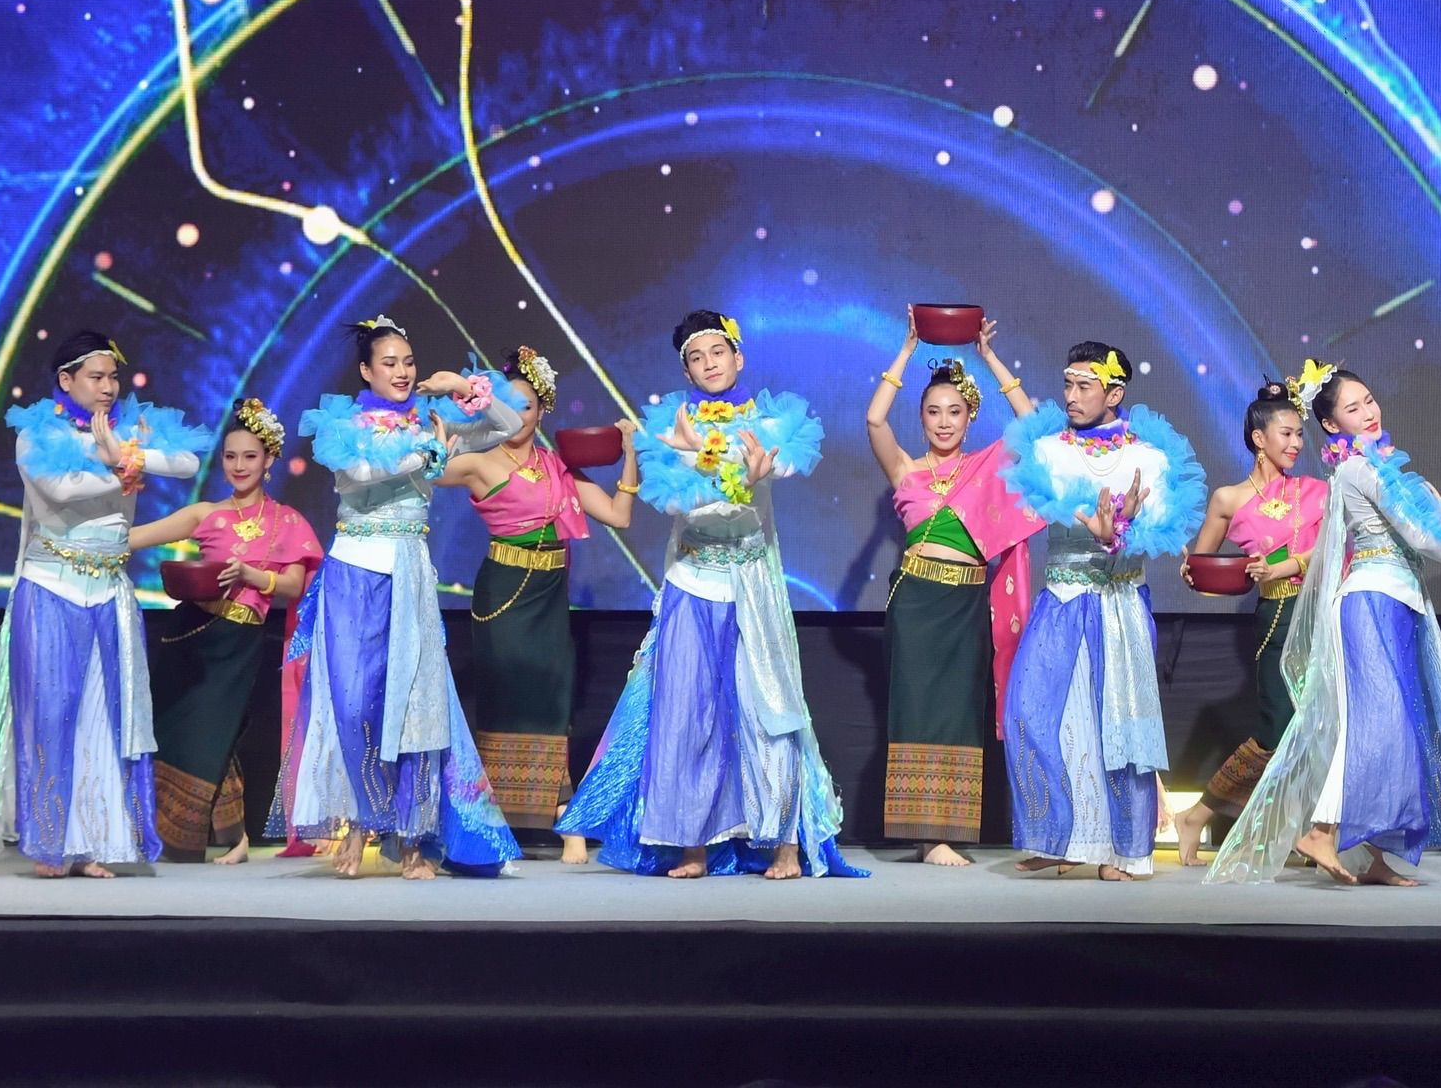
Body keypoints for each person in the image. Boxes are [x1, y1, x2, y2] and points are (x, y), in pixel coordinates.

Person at [557, 309, 856, 880]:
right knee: (685, 712)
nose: (709, 363)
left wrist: (734, 467)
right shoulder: (670, 428)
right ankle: (690, 844)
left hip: (752, 583)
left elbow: (782, 467)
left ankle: (785, 844)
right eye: (696, 357)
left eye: (717, 352)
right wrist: (705, 459)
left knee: (770, 708)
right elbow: (682, 505)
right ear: (686, 372)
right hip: (692, 582)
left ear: (738, 357)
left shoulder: (770, 420)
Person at [1208, 361, 1441, 886]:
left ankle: (1371, 851)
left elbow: (1414, 536)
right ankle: (1323, 829)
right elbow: (1414, 533)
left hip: (1395, 598)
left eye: (1370, 400)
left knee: (1395, 730)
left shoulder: (1374, 467)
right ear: (1332, 424)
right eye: (1353, 407)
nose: (1369, 412)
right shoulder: (1360, 468)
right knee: (1375, 727)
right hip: (1371, 600)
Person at [283, 315, 525, 879]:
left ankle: (414, 836)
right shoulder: (343, 426)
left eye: (408, 362)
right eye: (389, 363)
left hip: (409, 569)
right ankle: (360, 822)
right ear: (366, 371)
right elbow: (363, 472)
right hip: (353, 571)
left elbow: (508, 424)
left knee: (416, 705)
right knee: (353, 704)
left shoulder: (429, 417)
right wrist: (429, 453)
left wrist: (461, 388)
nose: (402, 372)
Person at [0, 329, 211, 878]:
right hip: (51, 587)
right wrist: (120, 464)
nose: (107, 387)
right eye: (96, 377)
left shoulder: (127, 429)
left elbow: (187, 464)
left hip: (108, 590)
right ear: (66, 380)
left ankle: (95, 842)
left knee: (104, 716)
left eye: (113, 377)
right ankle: (51, 844)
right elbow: (61, 489)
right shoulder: (35, 434)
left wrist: (123, 452)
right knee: (52, 713)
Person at [997, 340, 1205, 878]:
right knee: (1031, 712)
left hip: (1119, 603)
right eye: (1067, 383)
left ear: (1114, 393)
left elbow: (1160, 530)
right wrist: (1092, 525)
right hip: (1063, 597)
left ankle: (1126, 851)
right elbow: (1048, 507)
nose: (1071, 395)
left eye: (1084, 385)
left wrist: (1123, 530)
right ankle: (1059, 836)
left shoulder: (1149, 457)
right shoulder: (1049, 450)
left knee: (1121, 726)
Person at [434, 347, 639, 856]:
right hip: (504, 595)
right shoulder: (480, 461)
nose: (517, 416)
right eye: (507, 405)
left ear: (543, 411)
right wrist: (448, 427)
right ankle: (488, 824)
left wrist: (631, 455)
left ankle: (566, 819)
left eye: (526, 406)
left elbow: (618, 516)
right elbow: (433, 473)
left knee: (553, 700)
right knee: (507, 698)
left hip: (549, 596)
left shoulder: (558, 467)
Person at [862, 310, 1040, 865]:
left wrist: (989, 357)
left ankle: (944, 830)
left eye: (954, 412)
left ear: (970, 416)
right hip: (917, 602)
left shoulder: (989, 466)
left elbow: (1033, 425)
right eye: (933, 411)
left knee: (960, 711)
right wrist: (906, 351)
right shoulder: (905, 470)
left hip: (967, 603)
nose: (944, 422)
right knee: (917, 709)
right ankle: (926, 835)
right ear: (921, 417)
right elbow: (873, 419)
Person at [131, 396, 324, 863]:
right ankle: (224, 838)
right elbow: (134, 538)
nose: (239, 466)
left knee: (218, 730)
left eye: (250, 456)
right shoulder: (206, 515)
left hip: (239, 641)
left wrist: (252, 576)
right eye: (231, 456)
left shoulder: (288, 522)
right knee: (177, 728)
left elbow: (294, 584)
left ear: (269, 460)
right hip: (190, 635)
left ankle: (210, 836)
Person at [1171, 379, 1328, 866]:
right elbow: (1203, 567)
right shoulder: (1229, 498)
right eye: (1286, 433)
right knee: (1277, 728)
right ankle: (1197, 815)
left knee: (1318, 728)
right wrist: (1192, 573)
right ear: (1259, 438)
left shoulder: (1318, 491)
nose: (1296, 443)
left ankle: (1306, 831)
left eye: (1299, 434)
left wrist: (1290, 563)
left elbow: (1333, 549)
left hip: (1322, 615)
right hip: (1277, 615)